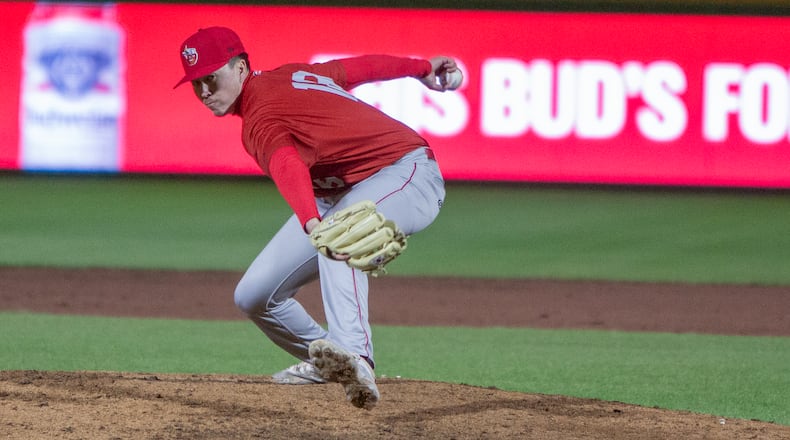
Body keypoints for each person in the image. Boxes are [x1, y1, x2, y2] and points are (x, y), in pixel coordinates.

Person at [174, 26, 458, 410]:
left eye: (212, 77)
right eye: (196, 83)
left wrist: (311, 223)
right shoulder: (291, 76)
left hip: (405, 173)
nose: (205, 91)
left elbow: (287, 164)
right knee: (255, 295)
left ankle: (356, 356)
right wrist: (421, 67)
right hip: (341, 194)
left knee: (339, 236)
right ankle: (331, 363)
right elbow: (356, 69)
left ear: (240, 67)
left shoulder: (261, 113)